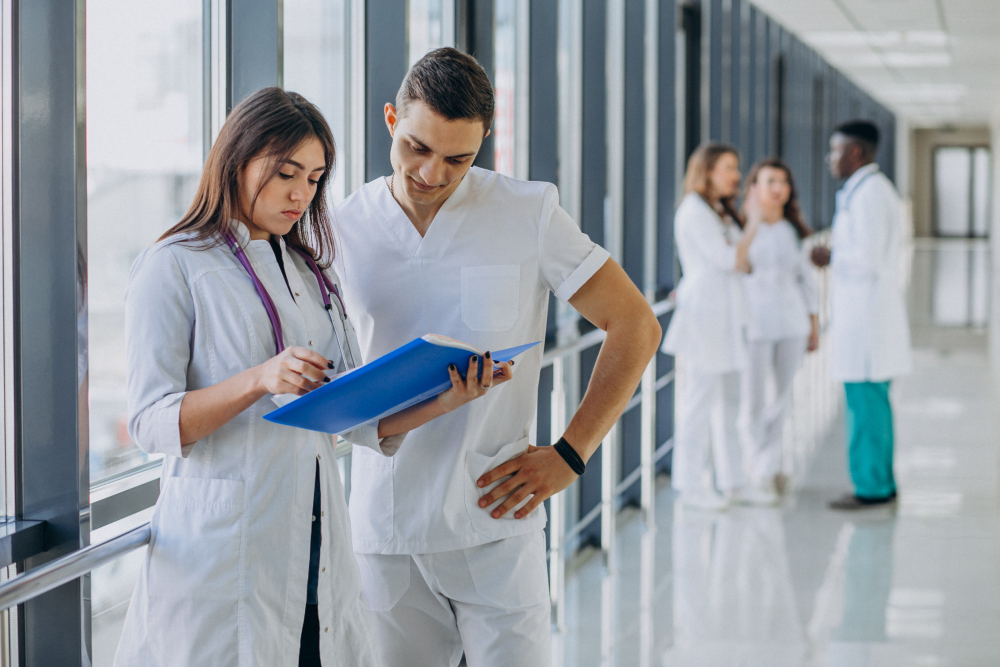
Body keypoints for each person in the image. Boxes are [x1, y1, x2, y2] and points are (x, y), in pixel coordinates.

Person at [115, 87, 511, 667]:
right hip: (225, 553)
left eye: (315, 178)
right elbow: (151, 424)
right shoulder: (174, 263)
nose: (301, 194)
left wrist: (447, 399)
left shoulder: (309, 267)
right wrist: (259, 380)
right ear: (236, 160)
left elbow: (349, 415)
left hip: (315, 541)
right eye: (285, 174)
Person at [332, 48, 662, 667]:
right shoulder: (340, 225)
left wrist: (571, 454)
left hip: (496, 518)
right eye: (415, 148)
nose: (432, 173)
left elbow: (635, 326)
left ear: (485, 142)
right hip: (385, 526)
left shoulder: (526, 211)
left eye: (459, 158)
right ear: (389, 120)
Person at [661, 143, 775, 510]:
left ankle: (733, 482)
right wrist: (755, 222)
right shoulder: (695, 212)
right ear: (708, 171)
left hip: (723, 315)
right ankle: (691, 485)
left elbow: (744, 263)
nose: (736, 176)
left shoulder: (715, 212)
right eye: (729, 168)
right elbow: (730, 260)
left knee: (728, 402)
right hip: (705, 317)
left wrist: (741, 247)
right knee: (699, 402)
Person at [814, 120, 911, 510]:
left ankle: (871, 488)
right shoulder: (867, 191)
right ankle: (881, 481)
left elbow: (867, 257)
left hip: (868, 320)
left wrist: (830, 256)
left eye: (835, 150)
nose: (829, 158)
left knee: (866, 406)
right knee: (871, 405)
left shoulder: (870, 194)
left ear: (856, 152)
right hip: (867, 316)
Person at [738, 159, 820, 497]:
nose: (778, 188)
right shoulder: (741, 228)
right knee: (753, 401)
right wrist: (752, 224)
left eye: (784, 181)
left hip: (792, 323)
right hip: (753, 325)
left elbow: (807, 282)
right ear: (754, 187)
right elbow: (734, 267)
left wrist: (814, 325)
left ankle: (768, 466)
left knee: (782, 398)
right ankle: (757, 466)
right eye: (770, 181)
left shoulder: (793, 231)